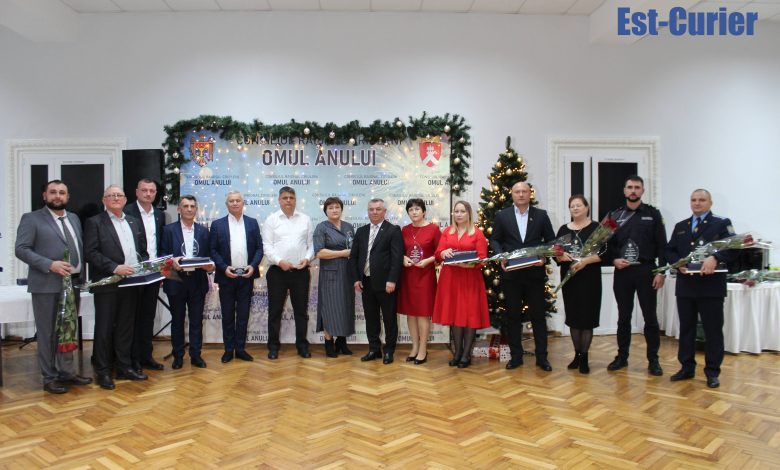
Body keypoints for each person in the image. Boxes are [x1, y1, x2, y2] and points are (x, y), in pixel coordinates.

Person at [14, 180, 93, 394]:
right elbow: (21, 249)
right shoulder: (32, 219)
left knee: (67, 330)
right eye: (53, 192)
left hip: (72, 284)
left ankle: (67, 372)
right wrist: (50, 264)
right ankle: (49, 377)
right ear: (45, 196)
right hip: (46, 284)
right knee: (47, 333)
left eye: (62, 192)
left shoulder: (74, 218)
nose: (57, 196)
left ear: (68, 197)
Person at [665, 189, 735, 389]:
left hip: (711, 287)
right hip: (686, 286)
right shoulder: (681, 226)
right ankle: (686, 368)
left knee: (712, 331)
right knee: (686, 329)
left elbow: (733, 248)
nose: (697, 203)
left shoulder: (721, 223)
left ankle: (712, 372)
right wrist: (677, 263)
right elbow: (669, 250)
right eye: (694, 200)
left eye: (702, 200)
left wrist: (716, 257)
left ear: (710, 203)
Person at [84, 185, 149, 390]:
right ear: (104, 200)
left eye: (119, 195)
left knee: (125, 327)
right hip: (107, 284)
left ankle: (124, 367)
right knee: (104, 328)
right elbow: (90, 252)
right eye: (111, 195)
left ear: (125, 199)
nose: (115, 198)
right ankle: (103, 371)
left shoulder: (133, 221)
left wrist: (144, 266)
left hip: (131, 283)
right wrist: (114, 267)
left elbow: (142, 250)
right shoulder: (95, 222)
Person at [490, 181, 556, 371]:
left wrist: (544, 257)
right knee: (513, 317)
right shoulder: (502, 216)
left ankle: (542, 358)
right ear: (512, 194)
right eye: (517, 191)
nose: (521, 194)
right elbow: (495, 239)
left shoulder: (541, 215)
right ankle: (516, 357)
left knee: (538, 317)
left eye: (524, 191)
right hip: (511, 275)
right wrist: (500, 255)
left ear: (530, 194)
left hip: (534, 274)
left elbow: (551, 241)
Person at [605, 175, 667, 376]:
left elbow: (662, 245)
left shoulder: (653, 214)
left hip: (646, 271)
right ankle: (622, 357)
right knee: (624, 317)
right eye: (630, 187)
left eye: (637, 187)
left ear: (642, 190)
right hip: (623, 272)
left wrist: (661, 272)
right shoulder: (614, 216)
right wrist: (614, 259)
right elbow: (606, 245)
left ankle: (653, 360)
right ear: (624, 190)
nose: (633, 191)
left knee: (650, 318)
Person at [432, 201, 490, 368]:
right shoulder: (447, 232)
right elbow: (438, 254)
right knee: (455, 314)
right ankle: (457, 353)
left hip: (470, 278)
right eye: (456, 211)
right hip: (450, 279)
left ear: (469, 213)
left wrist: (469, 265)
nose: (458, 214)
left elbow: (482, 258)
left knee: (469, 314)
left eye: (462, 211)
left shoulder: (477, 233)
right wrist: (443, 252)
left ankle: (466, 355)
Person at [160, 195, 214, 369]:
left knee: (196, 321)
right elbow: (162, 256)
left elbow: (209, 257)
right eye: (185, 206)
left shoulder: (204, 231)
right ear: (179, 209)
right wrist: (171, 261)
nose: (189, 209)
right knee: (177, 320)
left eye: (192, 206)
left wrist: (210, 267)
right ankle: (178, 356)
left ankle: (196, 355)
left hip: (197, 281)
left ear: (196, 209)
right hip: (176, 281)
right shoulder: (168, 230)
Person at [210, 191, 263, 363]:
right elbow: (213, 250)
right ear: (227, 204)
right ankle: (228, 350)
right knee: (227, 315)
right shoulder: (217, 224)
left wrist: (253, 265)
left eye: (237, 200)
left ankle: (240, 349)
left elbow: (259, 248)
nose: (234, 203)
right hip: (226, 277)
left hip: (246, 276)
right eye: (231, 201)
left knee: (243, 315)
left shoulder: (252, 223)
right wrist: (224, 267)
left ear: (243, 203)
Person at [349, 198, 404, 365]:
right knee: (371, 318)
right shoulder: (361, 231)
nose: (374, 212)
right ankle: (374, 349)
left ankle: (389, 351)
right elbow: (354, 257)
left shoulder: (393, 230)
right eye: (371, 209)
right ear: (368, 211)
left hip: (386, 284)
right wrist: (356, 279)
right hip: (365, 282)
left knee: (389, 319)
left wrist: (392, 280)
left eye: (378, 209)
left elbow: (397, 258)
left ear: (384, 211)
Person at [262, 186, 315, 359]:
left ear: (295, 200)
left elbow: (311, 245)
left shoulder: (305, 219)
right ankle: (273, 347)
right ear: (279, 200)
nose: (288, 201)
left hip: (300, 272)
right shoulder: (271, 220)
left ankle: (302, 346)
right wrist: (279, 261)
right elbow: (267, 246)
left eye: (291, 198)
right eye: (285, 198)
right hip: (277, 272)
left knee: (301, 311)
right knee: (275, 311)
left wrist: (307, 258)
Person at [555, 195, 602, 374]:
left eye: (579, 205)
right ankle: (577, 355)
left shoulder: (597, 228)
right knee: (574, 318)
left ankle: (584, 358)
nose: (575, 208)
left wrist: (586, 261)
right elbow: (556, 252)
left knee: (587, 318)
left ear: (587, 207)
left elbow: (605, 252)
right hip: (570, 279)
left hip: (589, 279)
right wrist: (560, 256)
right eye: (572, 206)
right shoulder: (563, 229)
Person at [124, 178, 166, 372]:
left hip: (154, 273)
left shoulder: (159, 215)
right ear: (137, 192)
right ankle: (132, 359)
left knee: (148, 317)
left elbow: (160, 244)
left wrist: (162, 270)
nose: (148, 194)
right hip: (133, 274)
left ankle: (146, 356)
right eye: (144, 190)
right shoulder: (127, 213)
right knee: (133, 317)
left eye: (152, 191)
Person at [398, 198, 441, 365]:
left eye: (417, 209)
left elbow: (440, 252)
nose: (414, 212)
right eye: (411, 209)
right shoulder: (405, 230)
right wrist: (403, 257)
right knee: (411, 314)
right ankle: (414, 347)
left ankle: (423, 349)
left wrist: (428, 261)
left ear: (423, 211)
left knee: (423, 314)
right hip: (408, 276)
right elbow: (399, 251)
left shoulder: (433, 229)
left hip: (425, 276)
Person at [312, 197, 355, 358]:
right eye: (330, 208)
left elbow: (354, 249)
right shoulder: (321, 227)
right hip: (330, 274)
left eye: (337, 207)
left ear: (341, 209)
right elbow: (319, 252)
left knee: (345, 306)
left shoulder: (349, 227)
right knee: (329, 308)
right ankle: (329, 343)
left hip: (347, 273)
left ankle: (341, 342)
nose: (334, 210)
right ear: (326, 211)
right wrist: (342, 253)